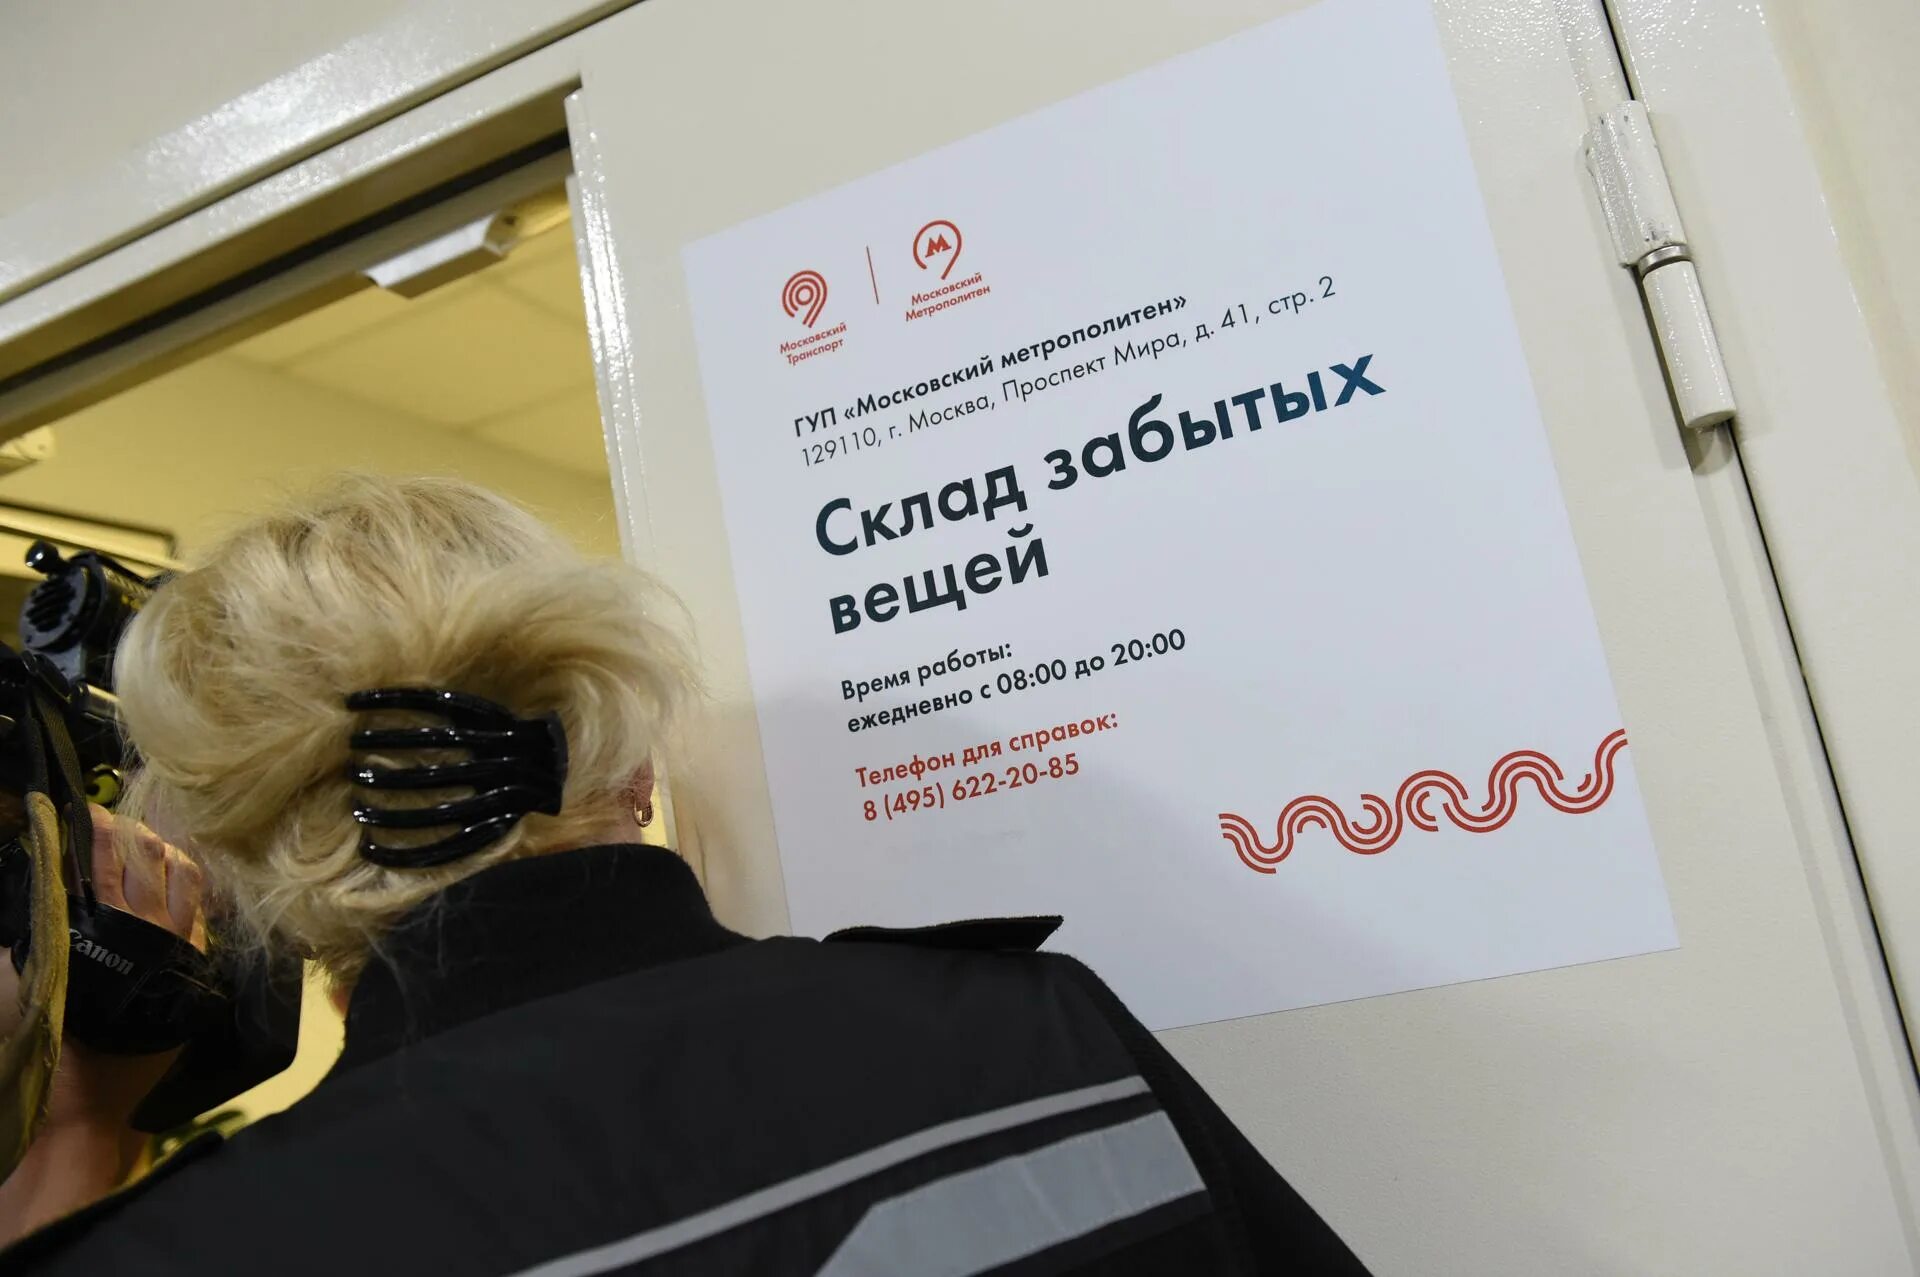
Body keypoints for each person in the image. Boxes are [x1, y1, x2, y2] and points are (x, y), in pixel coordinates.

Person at [0, 475, 1368, 1275]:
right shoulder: (1036, 1033)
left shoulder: (203, 1250)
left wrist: (70, 1135)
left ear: (238, 860)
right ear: (627, 756)